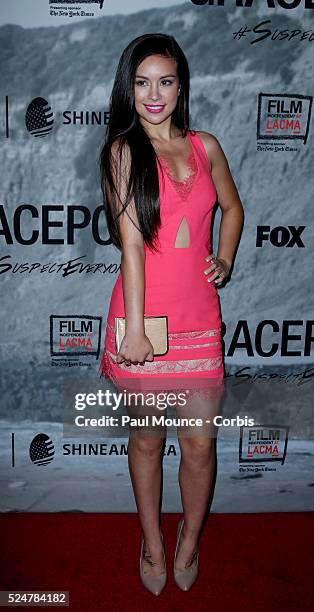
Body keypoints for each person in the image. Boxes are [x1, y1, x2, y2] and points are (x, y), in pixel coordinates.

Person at [98, 33, 244, 596]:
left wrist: (224, 257)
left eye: (165, 80)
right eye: (142, 82)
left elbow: (232, 208)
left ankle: (188, 539)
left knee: (200, 445)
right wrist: (134, 331)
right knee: (146, 442)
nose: (153, 94)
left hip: (199, 322)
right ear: (128, 88)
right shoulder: (122, 151)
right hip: (144, 323)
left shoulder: (207, 146)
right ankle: (152, 543)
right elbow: (131, 246)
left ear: (181, 84)